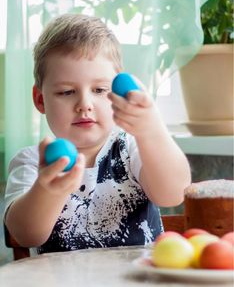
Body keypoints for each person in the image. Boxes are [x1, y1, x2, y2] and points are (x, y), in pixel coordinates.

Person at [4, 14, 191, 253]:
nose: (85, 104)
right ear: (40, 100)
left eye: (99, 90)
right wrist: (48, 190)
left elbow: (173, 194)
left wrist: (151, 130)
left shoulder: (133, 148)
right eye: (67, 91)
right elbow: (26, 234)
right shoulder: (34, 163)